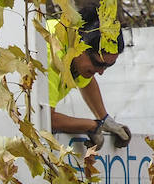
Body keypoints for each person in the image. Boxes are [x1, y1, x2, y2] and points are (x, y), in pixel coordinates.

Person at [47, 4, 131, 149]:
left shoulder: (75, 51)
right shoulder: (51, 55)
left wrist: (105, 119)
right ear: (80, 45)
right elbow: (46, 119)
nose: (100, 72)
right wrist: (91, 126)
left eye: (107, 66)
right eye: (98, 64)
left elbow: (86, 82)